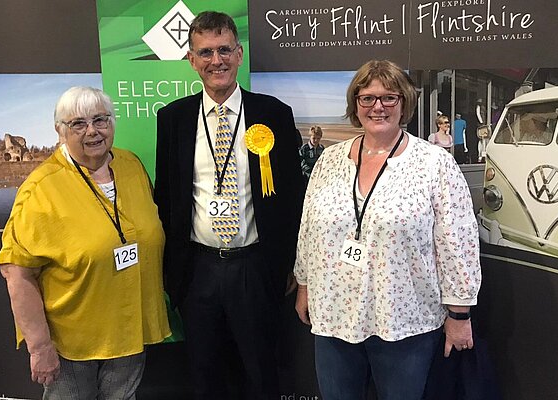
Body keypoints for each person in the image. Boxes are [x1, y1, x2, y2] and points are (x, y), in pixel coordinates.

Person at [294, 60, 481, 400]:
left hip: (403, 320)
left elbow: (458, 242)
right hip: (334, 312)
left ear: (404, 102)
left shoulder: (434, 163)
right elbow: (309, 228)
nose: (377, 106)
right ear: (355, 104)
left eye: (388, 98)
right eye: (367, 98)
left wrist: (459, 314)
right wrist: (304, 284)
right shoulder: (329, 160)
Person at [154, 11, 304, 400]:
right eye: (205, 52)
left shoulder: (273, 114)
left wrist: (287, 263)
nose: (215, 60)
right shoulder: (173, 119)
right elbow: (167, 197)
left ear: (239, 54)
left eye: (224, 50)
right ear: (191, 59)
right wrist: (173, 273)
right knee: (204, 375)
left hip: (255, 266)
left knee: (261, 374)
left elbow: (291, 197)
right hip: (198, 269)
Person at [0, 86, 171, 399]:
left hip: (130, 332)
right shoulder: (41, 188)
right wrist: (39, 348)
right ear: (60, 131)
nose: (92, 131)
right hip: (72, 346)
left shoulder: (131, 167)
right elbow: (17, 273)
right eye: (78, 124)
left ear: (113, 123)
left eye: (101, 120)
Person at [476, 98, 489, 162]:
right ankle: (481, 155)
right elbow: (478, 114)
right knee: (482, 139)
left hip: (483, 124)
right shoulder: (479, 106)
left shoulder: (482, 107)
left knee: (484, 139)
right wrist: (481, 122)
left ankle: (482, 154)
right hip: (481, 124)